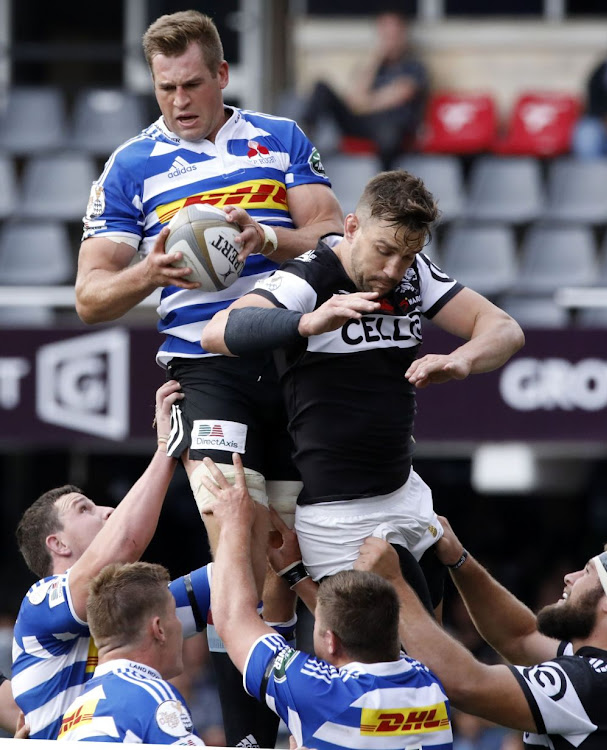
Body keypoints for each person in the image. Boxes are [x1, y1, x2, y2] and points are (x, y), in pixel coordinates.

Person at [74, 11, 344, 744]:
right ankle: (251, 733)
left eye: (192, 83)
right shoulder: (131, 165)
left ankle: (315, 718)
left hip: (290, 359)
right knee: (235, 534)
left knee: (290, 552)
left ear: (222, 75)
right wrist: (148, 270)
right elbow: (91, 296)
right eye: (166, 88)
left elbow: (334, 236)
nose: (179, 100)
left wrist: (269, 237)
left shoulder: (279, 138)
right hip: (205, 368)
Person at [201, 169, 525, 607]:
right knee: (367, 662)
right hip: (338, 518)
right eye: (385, 251)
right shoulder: (308, 278)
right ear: (352, 227)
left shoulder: (415, 276)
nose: (394, 270)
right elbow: (218, 331)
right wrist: (307, 322)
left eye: (408, 256)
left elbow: (504, 328)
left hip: (406, 496)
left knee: (434, 664)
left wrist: (462, 359)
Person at [202, 453, 454, 750]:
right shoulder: (433, 685)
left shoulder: (320, 692)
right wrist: (295, 576)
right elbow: (349, 621)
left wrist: (234, 524)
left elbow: (232, 618)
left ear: (332, 642)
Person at [11, 381, 212, 740]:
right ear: (56, 544)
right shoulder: (39, 604)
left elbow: (231, 579)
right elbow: (124, 544)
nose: (109, 512)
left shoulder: (131, 610)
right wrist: (167, 447)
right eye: (84, 509)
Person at [355, 520, 607, 748]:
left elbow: (466, 684)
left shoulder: (594, 684)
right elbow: (520, 636)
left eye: (587, 572)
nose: (569, 577)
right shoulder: (593, 667)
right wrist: (459, 559)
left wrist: (394, 583)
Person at [57, 562, 203, 744]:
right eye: (174, 613)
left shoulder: (74, 713)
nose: (180, 624)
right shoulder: (153, 695)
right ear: (159, 629)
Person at [301, 12, 429, 170]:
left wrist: (362, 103)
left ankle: (383, 188)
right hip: (362, 123)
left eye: (394, 34)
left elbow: (395, 96)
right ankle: (301, 144)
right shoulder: (372, 66)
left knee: (389, 132)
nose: (390, 40)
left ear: (403, 35)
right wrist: (375, 59)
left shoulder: (414, 67)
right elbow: (353, 98)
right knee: (322, 88)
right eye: (385, 34)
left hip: (391, 128)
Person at [571, 51, 607, 158]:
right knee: (587, 136)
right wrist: (604, 118)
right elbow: (593, 101)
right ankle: (592, 173)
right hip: (599, 119)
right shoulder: (601, 71)